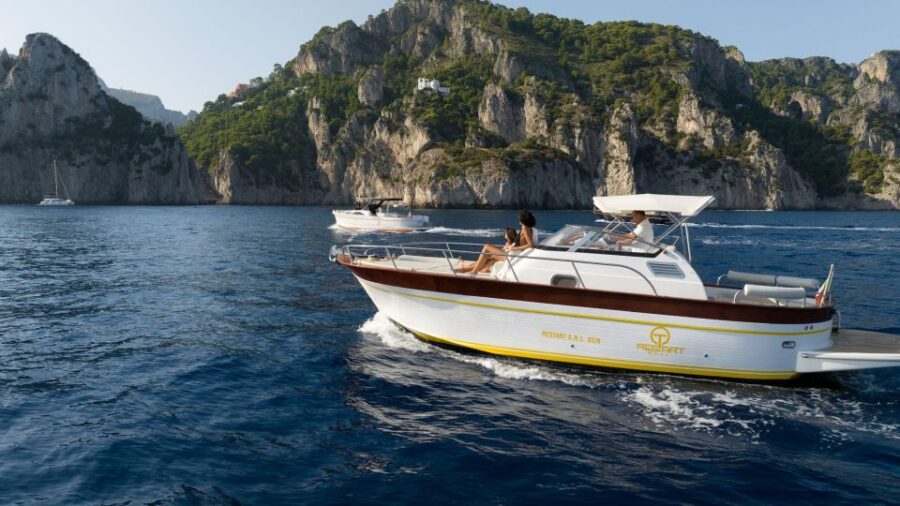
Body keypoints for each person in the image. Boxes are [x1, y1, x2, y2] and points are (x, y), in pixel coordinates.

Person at [456, 210, 537, 274]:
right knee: (489, 260)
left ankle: (473, 271)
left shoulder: (525, 228)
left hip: (512, 255)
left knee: (487, 246)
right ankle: (466, 270)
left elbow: (530, 245)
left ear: (522, 219)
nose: (518, 217)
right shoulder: (528, 228)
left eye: (519, 216)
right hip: (513, 254)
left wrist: (514, 248)